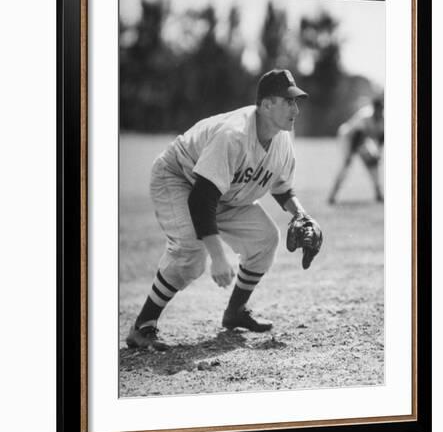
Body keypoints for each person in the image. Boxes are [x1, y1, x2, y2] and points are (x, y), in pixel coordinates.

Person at [126, 69, 320, 351]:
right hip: (180, 177)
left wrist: (300, 215)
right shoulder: (234, 134)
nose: (296, 109)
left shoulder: (282, 141)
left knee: (265, 238)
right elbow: (201, 198)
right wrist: (217, 255)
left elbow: (281, 188)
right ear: (266, 105)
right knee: (191, 252)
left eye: (296, 101)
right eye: (288, 101)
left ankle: (235, 313)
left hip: (222, 193)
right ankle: (142, 326)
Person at [327, 95, 384, 204]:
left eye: (381, 108)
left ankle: (378, 194)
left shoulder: (384, 118)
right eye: (377, 108)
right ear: (374, 108)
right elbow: (358, 136)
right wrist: (350, 156)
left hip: (362, 140)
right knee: (346, 165)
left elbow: (382, 138)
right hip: (348, 137)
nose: (379, 111)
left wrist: (377, 153)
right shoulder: (365, 116)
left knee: (373, 164)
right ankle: (332, 196)